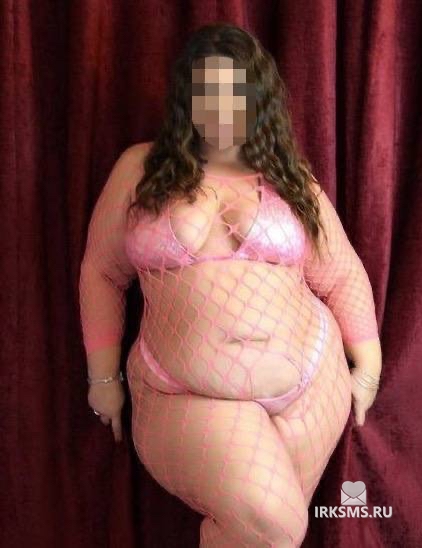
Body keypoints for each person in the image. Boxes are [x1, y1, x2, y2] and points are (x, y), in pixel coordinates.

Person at [79, 22, 382, 548]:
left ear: (259, 99)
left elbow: (342, 272)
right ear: (186, 100)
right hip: (184, 391)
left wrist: (369, 369)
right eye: (206, 92)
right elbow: (102, 273)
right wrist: (102, 379)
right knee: (276, 527)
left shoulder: (292, 178)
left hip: (313, 382)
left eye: (236, 93)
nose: (221, 108)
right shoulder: (140, 169)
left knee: (261, 538)